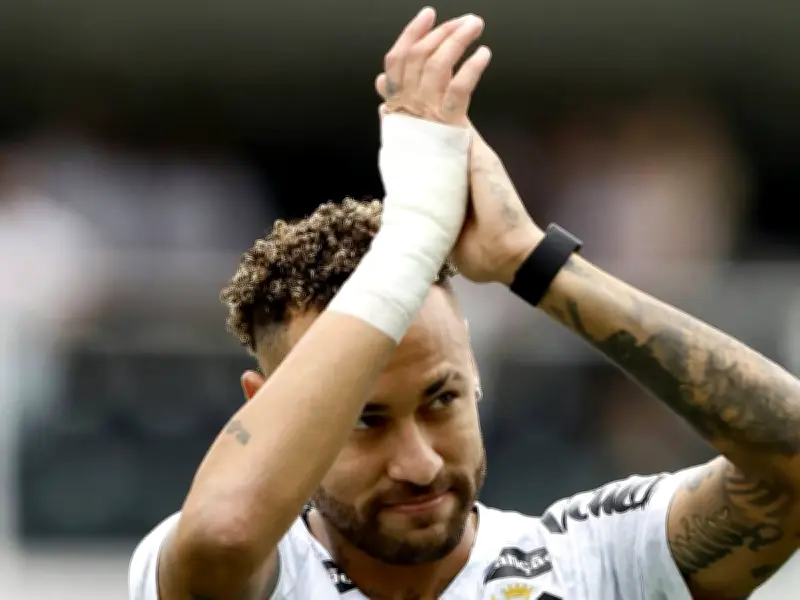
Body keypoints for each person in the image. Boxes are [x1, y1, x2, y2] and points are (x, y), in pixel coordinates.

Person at [129, 8, 800, 600]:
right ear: (264, 404)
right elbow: (223, 534)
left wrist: (530, 261)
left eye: (442, 399)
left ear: (474, 370)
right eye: (364, 419)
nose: (420, 464)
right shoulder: (250, 574)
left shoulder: (597, 561)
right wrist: (415, 236)